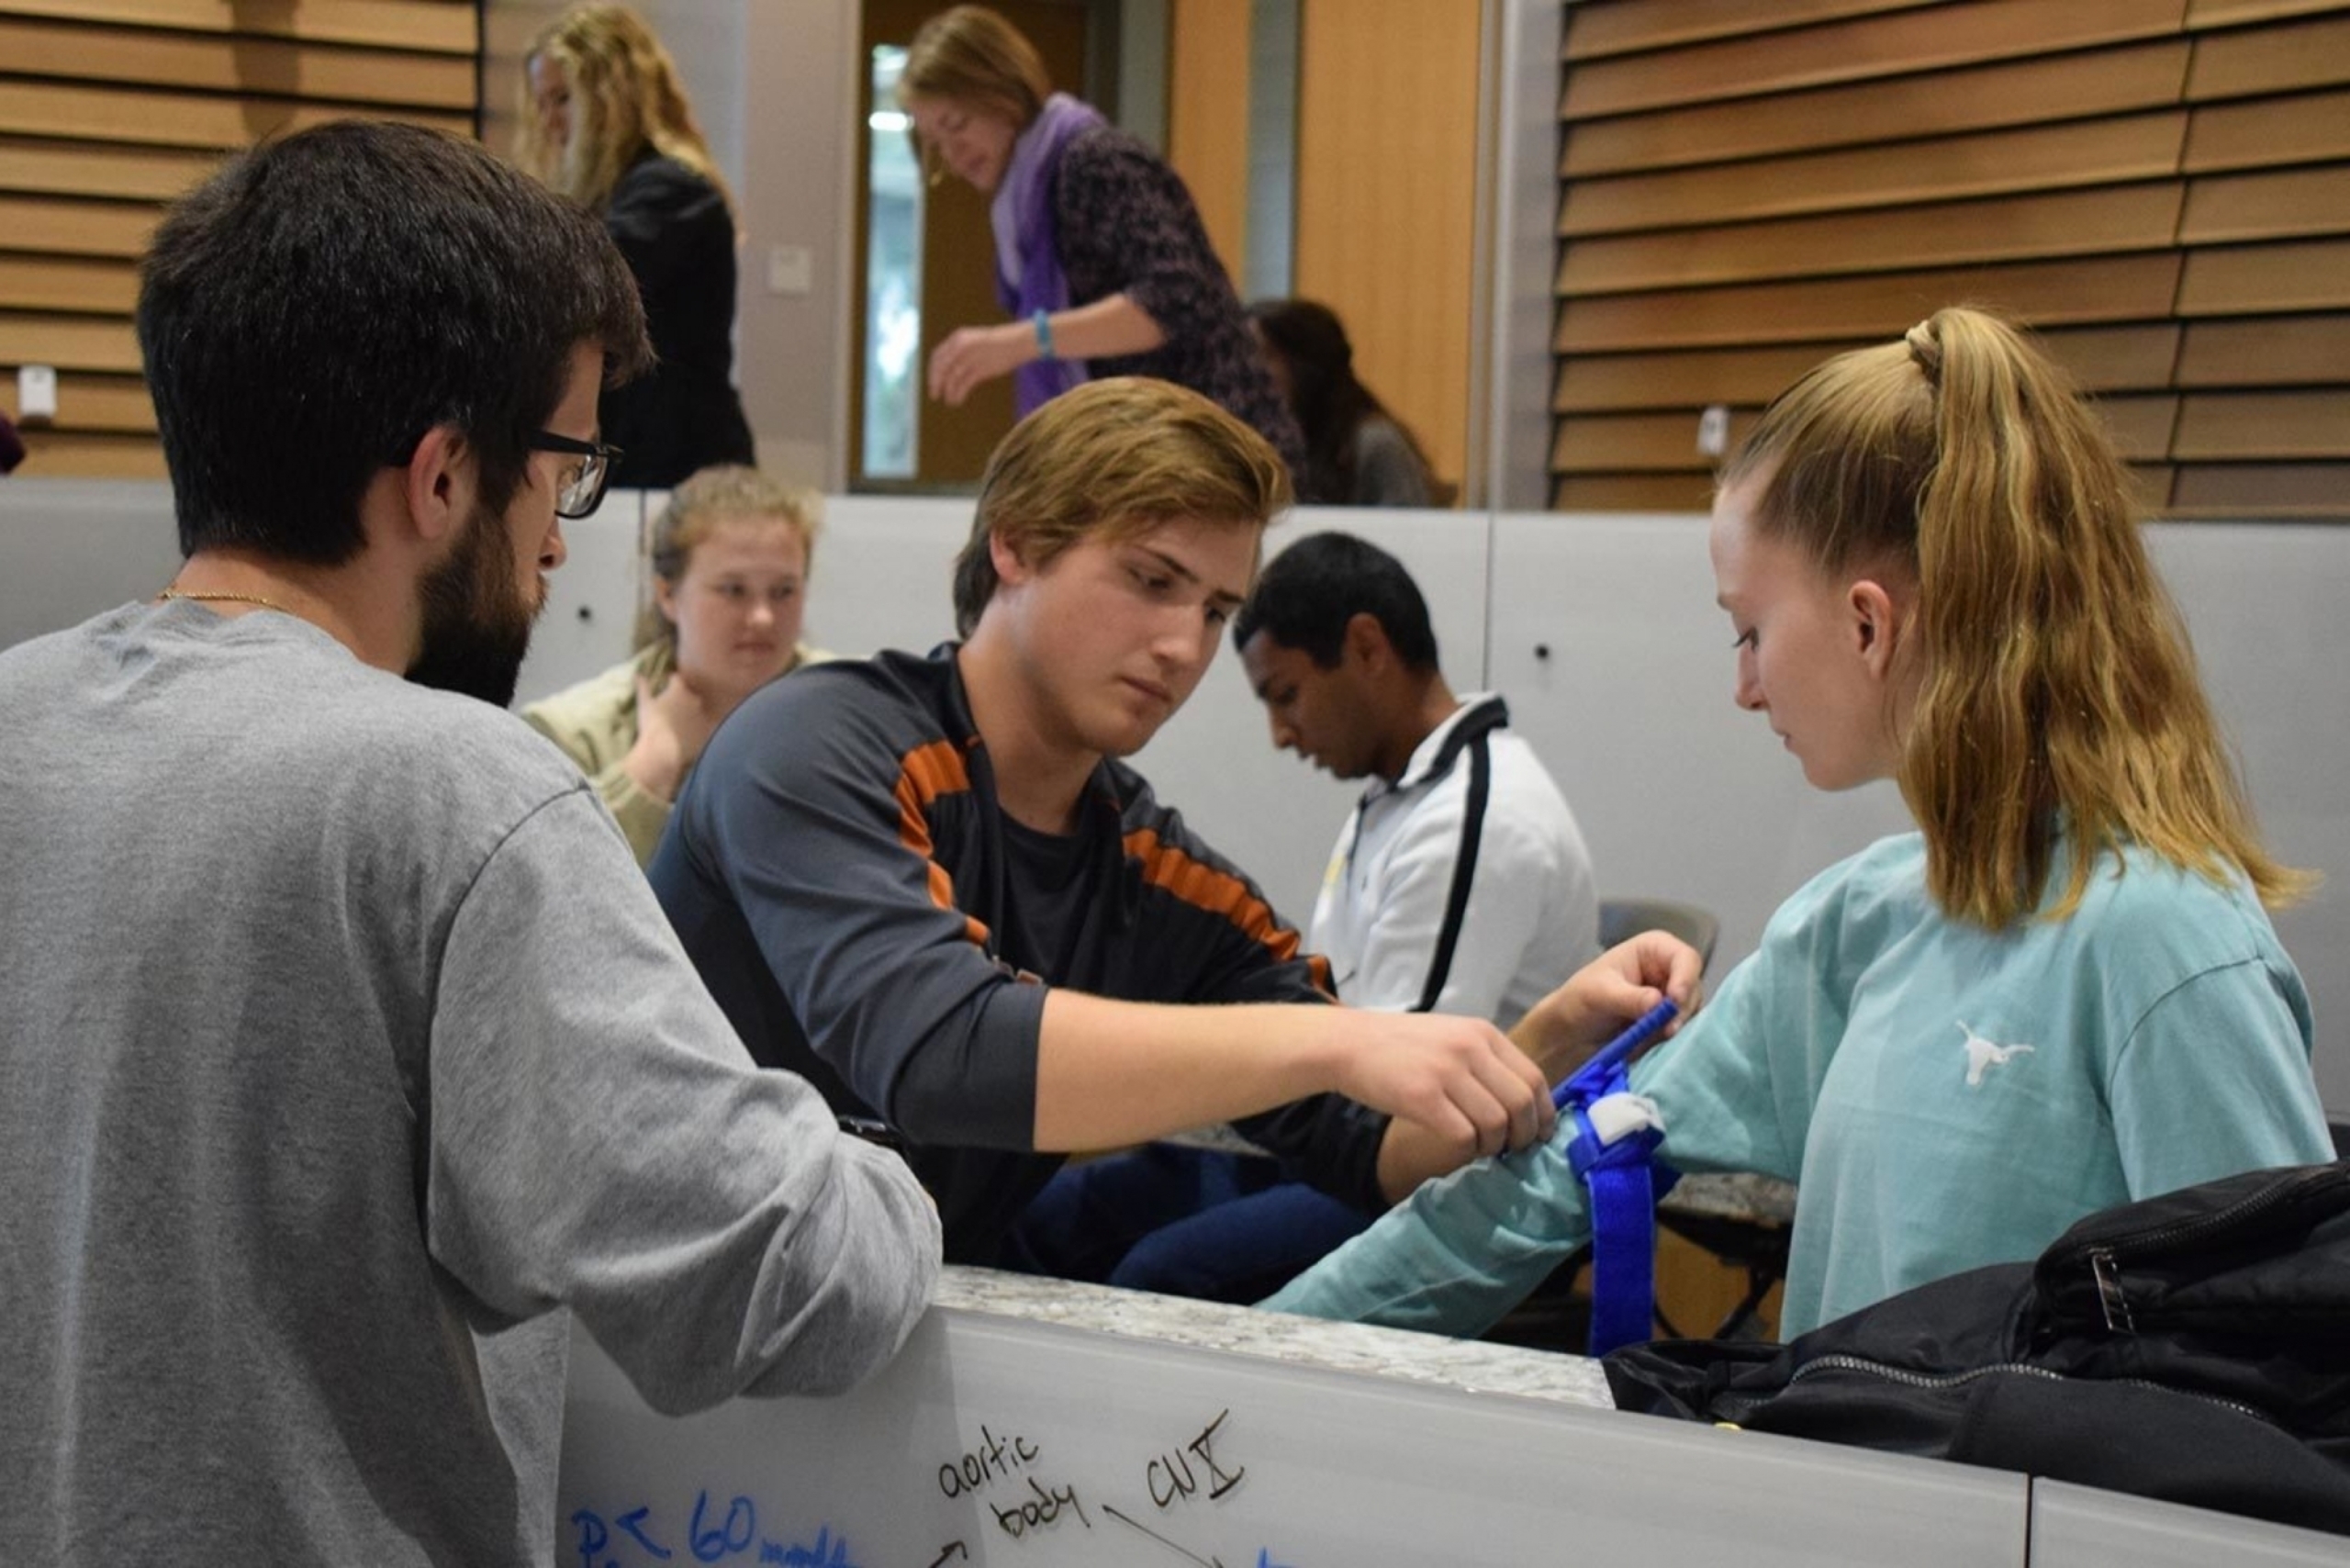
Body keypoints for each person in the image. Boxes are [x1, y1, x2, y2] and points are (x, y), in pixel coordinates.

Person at [0, 121, 939, 1563]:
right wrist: (878, 1163)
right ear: (443, 478)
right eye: (563, 470)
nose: (560, 542)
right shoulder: (448, 791)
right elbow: (780, 1277)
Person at [1264, 307, 2333, 1340]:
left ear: (1867, 623)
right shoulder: (1851, 928)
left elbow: (2281, 1371)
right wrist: (1257, 1351)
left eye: (1749, 631)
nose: (1744, 687)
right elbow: (1548, 1187)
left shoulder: (2166, 945)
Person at [649, 375, 1699, 1274]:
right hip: (661, 1313)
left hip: (871, 1318)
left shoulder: (1151, 868)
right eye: (1150, 580)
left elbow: (1374, 1151)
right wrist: (1334, 1038)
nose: (1181, 646)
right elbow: (943, 1056)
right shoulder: (813, 744)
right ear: (1013, 546)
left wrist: (1545, 1039)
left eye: (1211, 610)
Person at [1004, 529, 1606, 1300]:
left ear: (1365, 647)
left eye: (1286, 696)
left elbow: (1405, 1087)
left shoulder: (1480, 814)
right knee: (1048, 1217)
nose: (1282, 734)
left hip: (1445, 1176)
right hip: (1349, 1130)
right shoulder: (1404, 795)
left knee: (1163, 1274)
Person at [901, 5, 1304, 474]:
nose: (952, 154)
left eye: (956, 126)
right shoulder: (1022, 209)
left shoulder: (1093, 162)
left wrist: (1025, 340)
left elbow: (1175, 298)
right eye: (936, 142)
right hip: (1158, 455)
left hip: (1220, 450)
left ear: (1002, 91)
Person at [525, 464, 830, 866]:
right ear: (668, 594)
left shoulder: (854, 709)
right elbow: (545, 886)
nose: (762, 617)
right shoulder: (574, 734)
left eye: (784, 591)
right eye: (733, 590)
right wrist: (649, 772)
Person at [519, 2, 755, 487]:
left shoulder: (672, 190)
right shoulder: (630, 193)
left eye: (562, 99)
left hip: (680, 462)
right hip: (644, 454)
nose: (549, 121)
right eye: (542, 103)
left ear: (613, 97)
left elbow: (581, 283)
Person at [1247, 299, 1441, 507]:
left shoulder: (1374, 443)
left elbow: (1409, 531)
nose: (1250, 370)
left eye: (1264, 356)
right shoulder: (1258, 439)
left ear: (1305, 366)